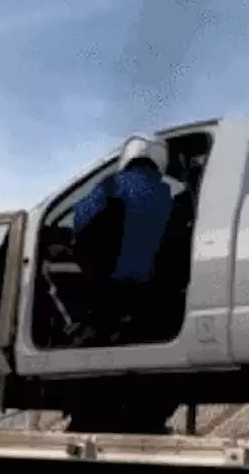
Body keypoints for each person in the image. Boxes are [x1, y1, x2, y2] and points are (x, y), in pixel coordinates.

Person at [70, 136, 175, 345]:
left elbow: (81, 218)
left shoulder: (112, 185)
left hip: (111, 284)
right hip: (155, 286)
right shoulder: (168, 196)